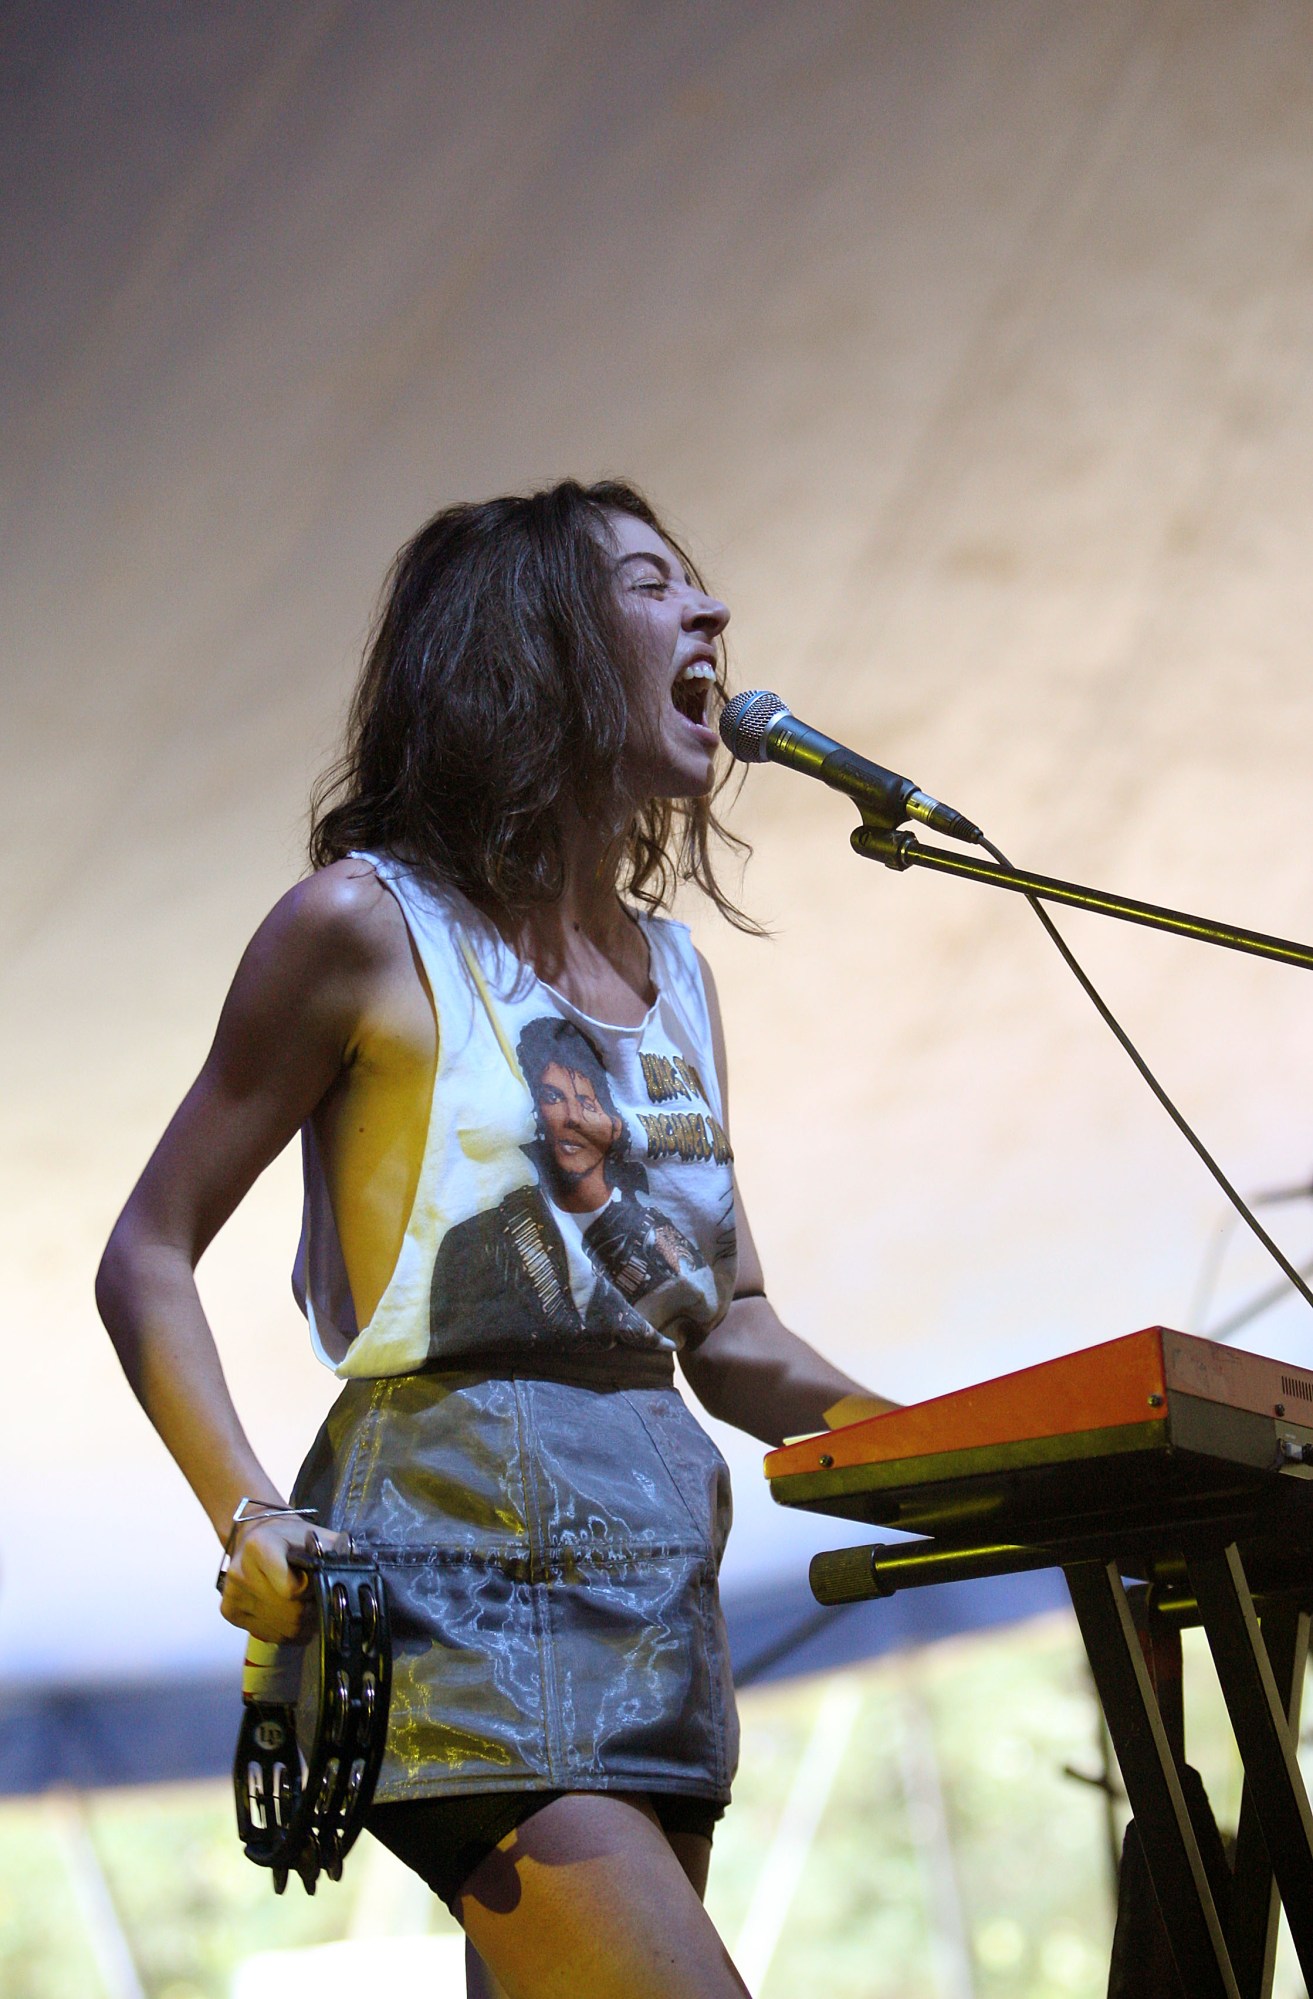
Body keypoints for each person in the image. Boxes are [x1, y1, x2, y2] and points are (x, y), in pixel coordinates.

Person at [96, 479, 895, 1999]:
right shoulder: (362, 926)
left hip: (661, 1594)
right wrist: (249, 1514)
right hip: (452, 1586)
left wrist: (963, 1452)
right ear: (531, 650)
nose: (711, 614)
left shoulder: (676, 976)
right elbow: (144, 1254)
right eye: (654, 585)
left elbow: (727, 1328)